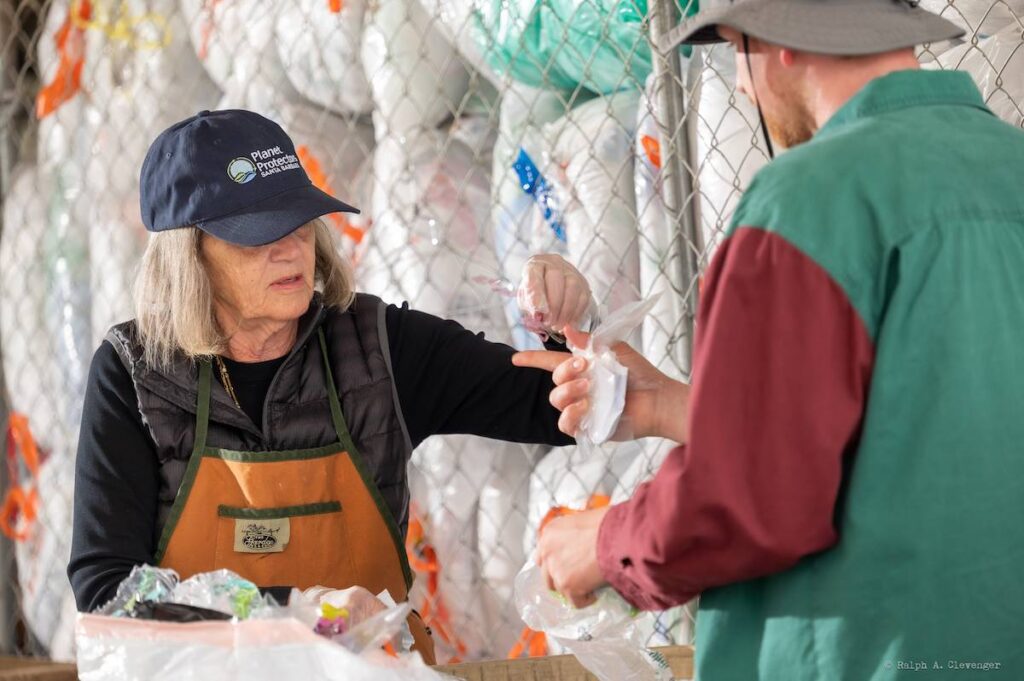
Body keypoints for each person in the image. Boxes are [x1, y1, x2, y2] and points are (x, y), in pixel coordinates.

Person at [514, 0, 1024, 677]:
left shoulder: (806, 199)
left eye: (734, 50)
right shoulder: (1008, 167)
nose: (744, 87)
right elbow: (924, 437)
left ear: (782, 39)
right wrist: (673, 406)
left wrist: (602, 545)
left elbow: (754, 496)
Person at [67, 109, 591, 664]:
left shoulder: (378, 350)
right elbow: (108, 596)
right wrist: (295, 613)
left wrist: (566, 321)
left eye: (297, 222)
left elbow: (552, 405)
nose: (289, 248)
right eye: (256, 235)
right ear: (187, 256)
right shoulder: (134, 374)